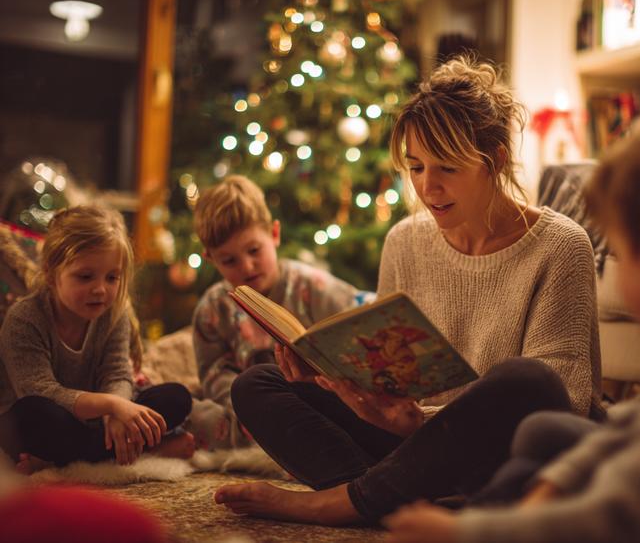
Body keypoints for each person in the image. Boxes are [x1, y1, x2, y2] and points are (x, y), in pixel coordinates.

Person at [385, 96, 640, 543]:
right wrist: (560, 478)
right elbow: (638, 430)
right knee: (548, 434)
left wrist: (469, 532)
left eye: (621, 254)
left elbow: (617, 514)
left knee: (541, 447)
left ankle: (456, 506)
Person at [213, 56, 602, 525]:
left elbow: (564, 404)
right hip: (410, 443)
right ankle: (394, 502)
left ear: (494, 160)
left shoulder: (561, 247)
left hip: (506, 459)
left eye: (446, 168)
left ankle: (346, 502)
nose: (427, 187)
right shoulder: (405, 240)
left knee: (528, 380)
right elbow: (385, 370)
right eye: (415, 167)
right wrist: (327, 374)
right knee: (258, 383)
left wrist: (421, 421)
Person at [0, 206, 193, 473]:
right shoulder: (24, 319)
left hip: (95, 422)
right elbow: (40, 391)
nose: (100, 289)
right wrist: (113, 406)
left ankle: (68, 458)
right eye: (85, 276)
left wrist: (116, 413)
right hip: (46, 420)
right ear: (51, 272)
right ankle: (126, 450)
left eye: (112, 277)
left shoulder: (113, 312)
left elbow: (116, 374)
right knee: (31, 416)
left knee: (176, 397)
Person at [189, 174, 371, 450]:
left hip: (318, 399)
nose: (247, 267)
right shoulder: (212, 309)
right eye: (229, 260)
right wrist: (252, 409)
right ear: (210, 259)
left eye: (254, 250)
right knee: (194, 415)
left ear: (274, 234)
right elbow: (214, 376)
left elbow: (360, 317)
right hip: (253, 410)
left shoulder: (312, 285)